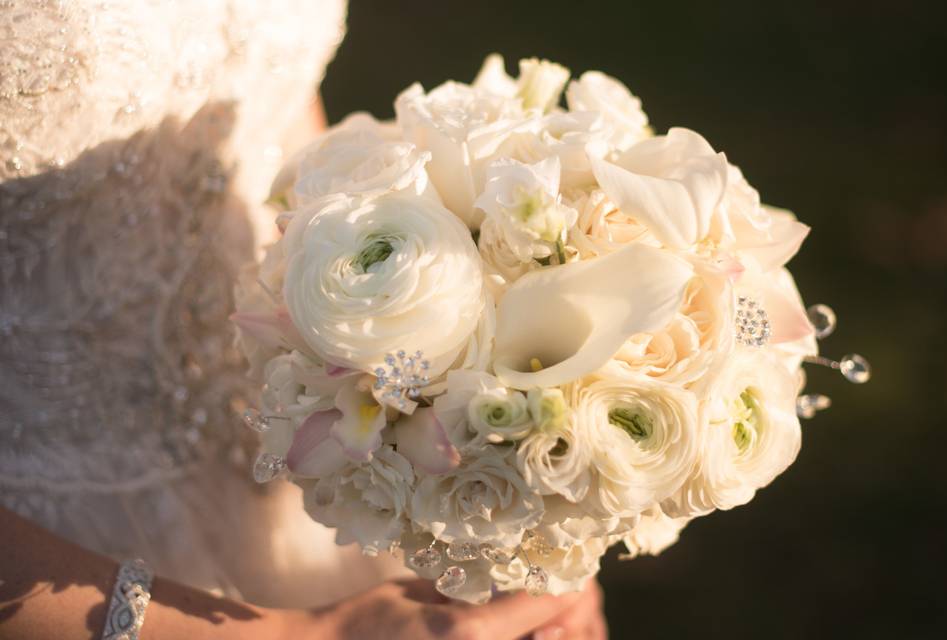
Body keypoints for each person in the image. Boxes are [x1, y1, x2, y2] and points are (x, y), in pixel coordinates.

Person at [0, 1, 606, 638]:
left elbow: (271, 111)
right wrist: (306, 634)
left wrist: (494, 473)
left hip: (324, 456)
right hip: (62, 561)